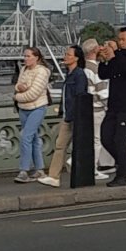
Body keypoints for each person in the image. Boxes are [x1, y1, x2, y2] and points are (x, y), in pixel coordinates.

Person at [37, 46, 87, 187]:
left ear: (76, 58)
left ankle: (60, 175)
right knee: (60, 145)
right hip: (67, 115)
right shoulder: (70, 74)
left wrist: (72, 114)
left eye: (68, 54)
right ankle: (54, 176)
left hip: (74, 117)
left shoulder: (79, 75)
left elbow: (79, 97)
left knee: (67, 146)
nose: (65, 56)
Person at [98, 27, 126, 186]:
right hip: (113, 104)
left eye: (123, 39)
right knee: (106, 136)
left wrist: (115, 53)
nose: (121, 42)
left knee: (120, 139)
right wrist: (104, 59)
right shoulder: (116, 57)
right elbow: (104, 73)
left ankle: (122, 174)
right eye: (119, 39)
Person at [82, 38, 113, 178]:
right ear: (95, 50)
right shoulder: (96, 69)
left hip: (85, 109)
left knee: (86, 139)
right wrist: (108, 107)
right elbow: (102, 92)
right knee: (96, 140)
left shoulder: (83, 68)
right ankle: (93, 169)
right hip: (97, 109)